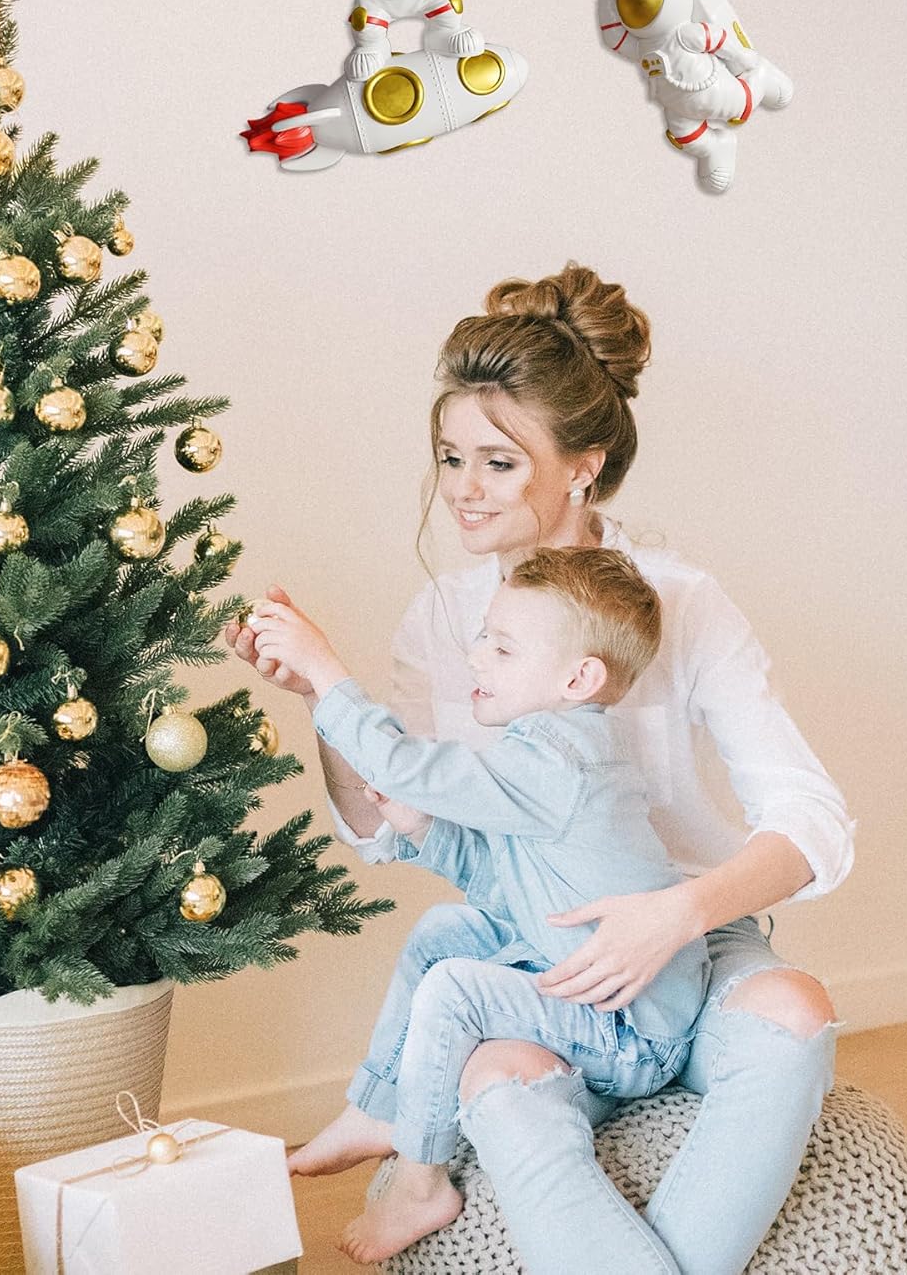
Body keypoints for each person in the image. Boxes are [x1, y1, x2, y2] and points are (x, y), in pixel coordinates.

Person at [228, 263, 854, 1275]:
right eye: (451, 458)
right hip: (541, 956)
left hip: (692, 942)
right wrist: (321, 703)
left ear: (583, 467)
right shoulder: (442, 619)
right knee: (492, 1065)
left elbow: (813, 823)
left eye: (499, 463)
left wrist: (676, 915)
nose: (463, 491)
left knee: (796, 1011)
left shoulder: (682, 602)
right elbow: (388, 830)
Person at [249, 547, 711, 1265]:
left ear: (577, 678)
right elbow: (502, 886)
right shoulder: (546, 751)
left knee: (456, 987)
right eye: (482, 635)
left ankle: (422, 1180)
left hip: (632, 1031)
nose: (477, 655)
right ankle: (379, 1106)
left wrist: (324, 668)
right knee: (447, 929)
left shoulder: (560, 758)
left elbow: (403, 762)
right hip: (578, 972)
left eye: (502, 646)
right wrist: (424, 828)